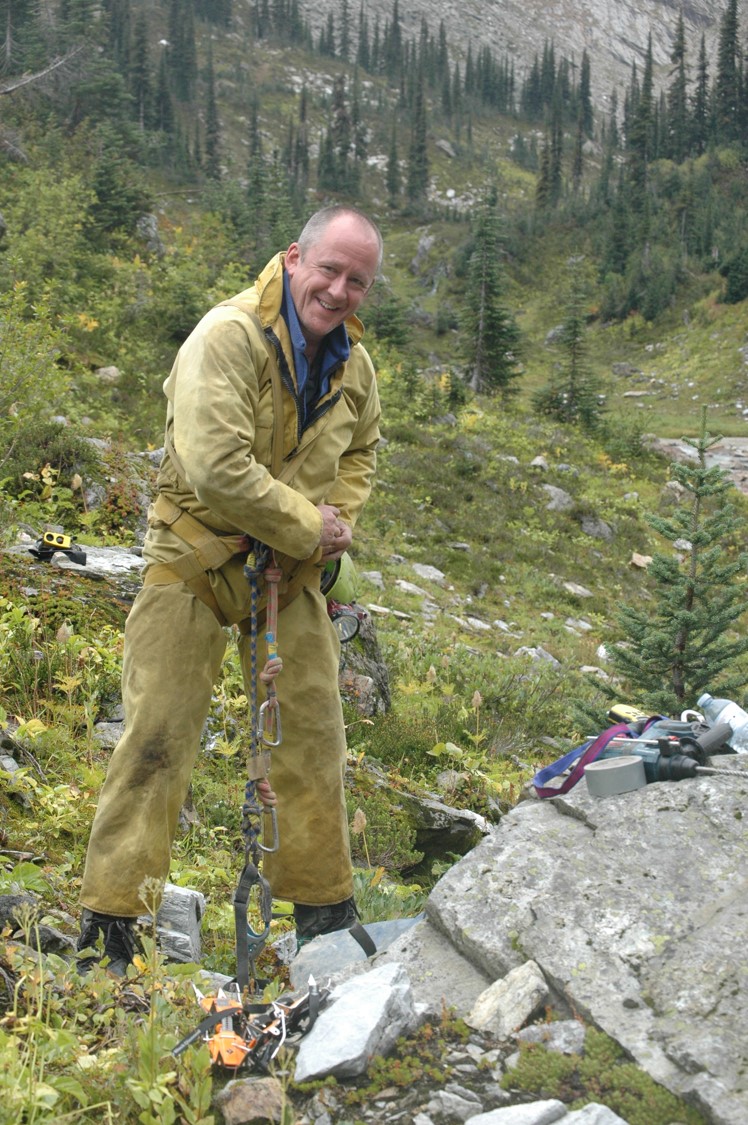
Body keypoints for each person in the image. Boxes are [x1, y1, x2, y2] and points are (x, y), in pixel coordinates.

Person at [77, 204, 384, 974]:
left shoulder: (355, 366)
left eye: (358, 280)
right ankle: (112, 922)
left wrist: (339, 520)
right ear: (294, 258)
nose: (340, 290)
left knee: (313, 737)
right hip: (194, 558)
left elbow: (362, 450)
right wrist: (309, 524)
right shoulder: (226, 336)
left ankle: (323, 914)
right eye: (330, 269)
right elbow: (216, 467)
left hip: (289, 574)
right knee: (157, 734)